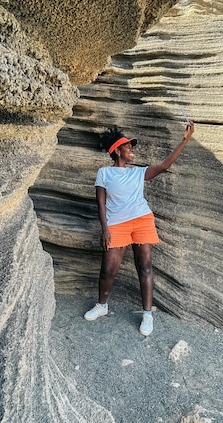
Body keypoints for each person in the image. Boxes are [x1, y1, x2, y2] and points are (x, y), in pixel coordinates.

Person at [84, 121, 195, 336]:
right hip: (116, 224)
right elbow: (100, 203)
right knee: (108, 270)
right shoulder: (104, 173)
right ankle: (102, 305)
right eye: (127, 147)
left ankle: (147, 314)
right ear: (117, 151)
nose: (131, 149)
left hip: (141, 220)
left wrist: (185, 140)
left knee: (144, 266)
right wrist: (105, 228)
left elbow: (164, 166)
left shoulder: (137, 173)